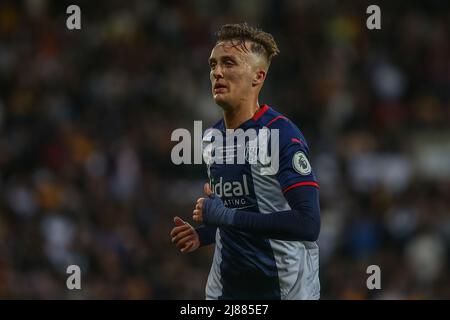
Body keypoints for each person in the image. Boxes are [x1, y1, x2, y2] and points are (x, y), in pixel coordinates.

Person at [170, 23, 321, 300]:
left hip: (285, 289)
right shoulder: (211, 138)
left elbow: (308, 224)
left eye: (229, 63)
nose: (217, 72)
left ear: (258, 76)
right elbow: (240, 210)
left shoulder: (281, 134)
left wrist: (225, 216)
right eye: (213, 64)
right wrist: (204, 234)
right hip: (226, 289)